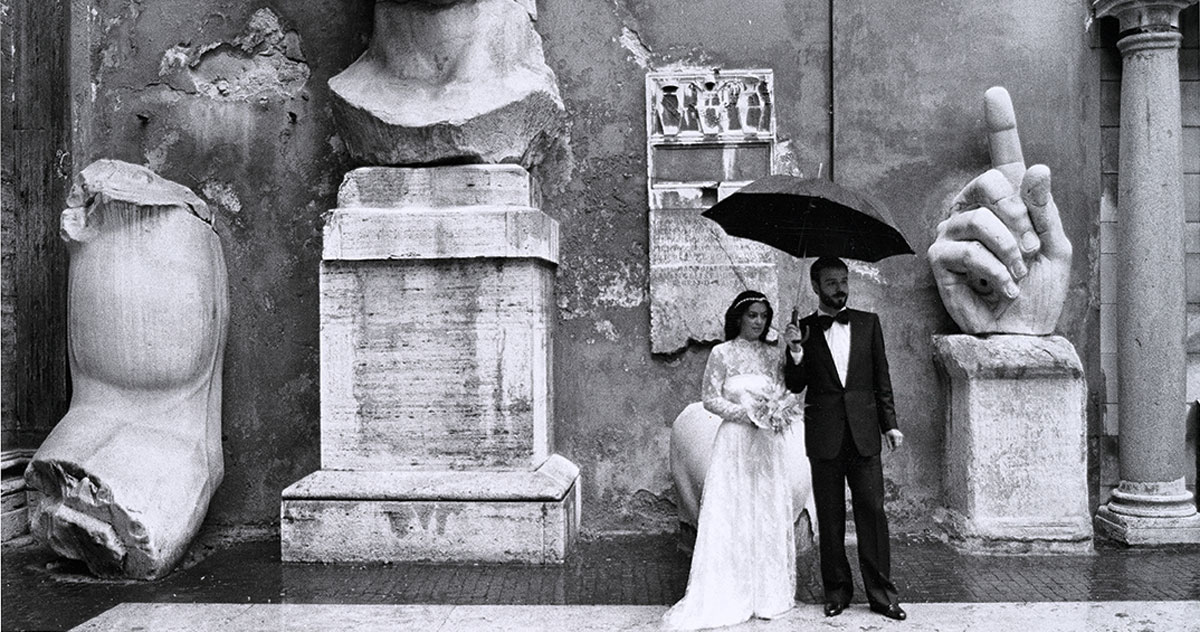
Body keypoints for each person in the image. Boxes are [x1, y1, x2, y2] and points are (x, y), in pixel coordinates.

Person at [663, 290, 800, 630]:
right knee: (734, 510)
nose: (758, 322)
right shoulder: (721, 353)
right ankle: (729, 588)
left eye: (763, 317)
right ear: (739, 318)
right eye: (752, 315)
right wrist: (747, 413)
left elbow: (788, 391)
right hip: (735, 442)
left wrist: (794, 354)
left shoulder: (773, 355)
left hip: (766, 444)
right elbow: (709, 399)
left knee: (764, 510)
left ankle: (766, 592)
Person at [783, 257, 907, 621]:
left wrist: (890, 425)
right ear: (816, 286)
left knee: (873, 513)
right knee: (831, 518)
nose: (840, 288)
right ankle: (836, 591)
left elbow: (881, 379)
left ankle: (882, 595)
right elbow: (795, 384)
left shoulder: (869, 324)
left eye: (843, 280)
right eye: (831, 282)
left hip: (865, 434)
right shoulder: (802, 328)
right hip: (824, 437)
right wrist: (794, 350)